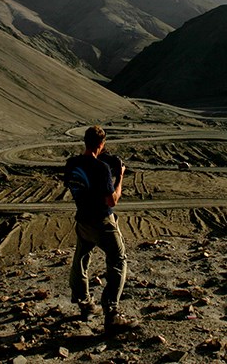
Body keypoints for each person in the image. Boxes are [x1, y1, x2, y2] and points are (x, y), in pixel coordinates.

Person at [64, 125, 137, 334]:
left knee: (81, 259)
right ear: (102, 144)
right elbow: (112, 200)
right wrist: (120, 176)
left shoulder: (72, 164)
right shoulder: (102, 169)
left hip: (82, 219)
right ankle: (112, 314)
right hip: (102, 221)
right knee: (118, 260)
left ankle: (85, 304)